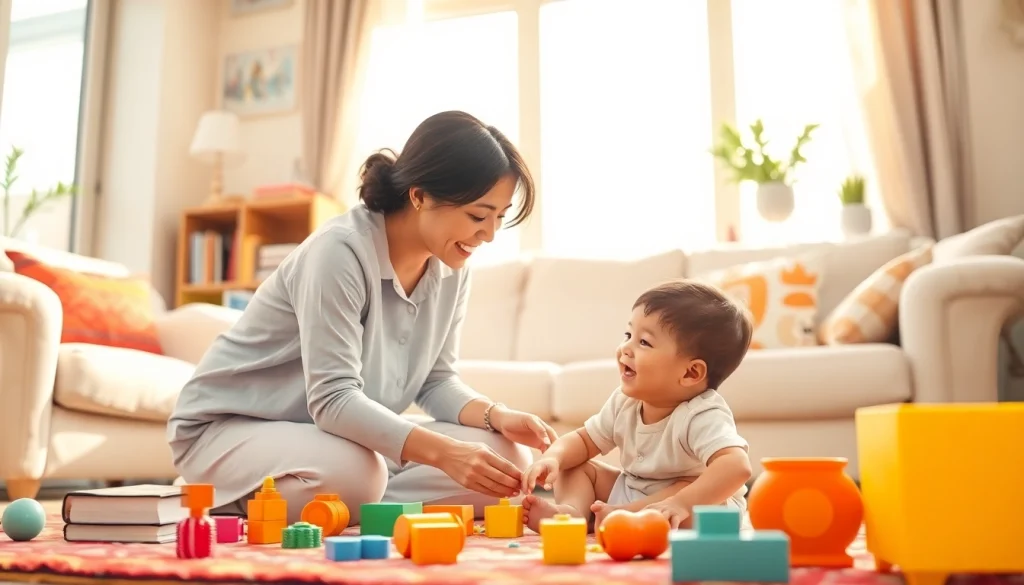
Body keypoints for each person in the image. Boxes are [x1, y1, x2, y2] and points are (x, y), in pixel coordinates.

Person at [167, 111, 558, 524]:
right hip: (228, 430)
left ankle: (346, 498)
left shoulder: (451, 264)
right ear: (420, 195)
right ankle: (228, 495)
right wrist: (443, 454)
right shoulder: (339, 253)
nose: (489, 235)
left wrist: (497, 416)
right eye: (479, 216)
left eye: (499, 217)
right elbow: (333, 399)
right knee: (360, 473)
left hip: (333, 438)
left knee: (505, 458)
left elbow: (435, 380)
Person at [520, 279, 754, 532]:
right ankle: (574, 514)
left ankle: (619, 517)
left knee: (697, 496)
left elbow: (737, 467)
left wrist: (679, 503)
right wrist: (554, 457)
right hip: (630, 489)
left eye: (644, 342)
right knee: (575, 465)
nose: (625, 349)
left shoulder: (702, 413)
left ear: (691, 373)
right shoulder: (625, 403)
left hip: (686, 504)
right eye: (628, 335)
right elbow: (584, 441)